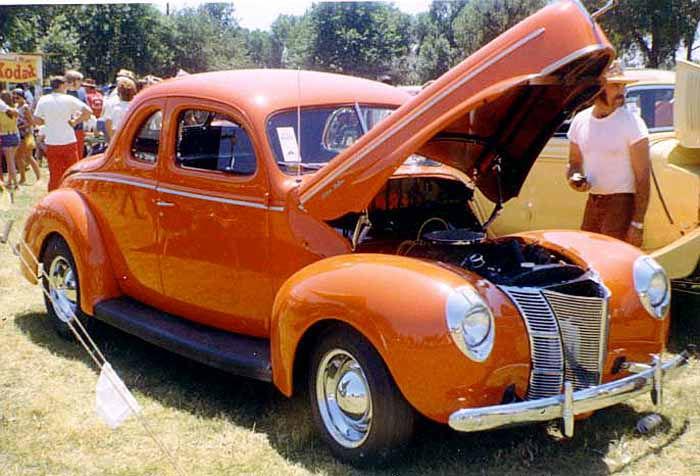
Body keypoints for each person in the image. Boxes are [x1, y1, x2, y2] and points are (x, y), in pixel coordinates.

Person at [566, 61, 650, 247]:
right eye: (615, 85)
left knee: (612, 257)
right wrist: (575, 178)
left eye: (623, 85)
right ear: (597, 88)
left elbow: (643, 177)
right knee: (588, 255)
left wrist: (637, 223)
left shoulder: (632, 123)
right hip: (593, 201)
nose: (622, 91)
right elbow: (574, 162)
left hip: (621, 204)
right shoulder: (580, 120)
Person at [32, 76, 92, 191]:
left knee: (55, 174)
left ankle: (54, 196)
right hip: (69, 141)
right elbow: (88, 112)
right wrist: (75, 121)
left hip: (52, 142)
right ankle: (72, 193)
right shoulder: (69, 99)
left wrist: (48, 122)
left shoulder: (43, 100)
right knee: (71, 173)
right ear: (62, 85)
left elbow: (36, 119)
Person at [13, 89, 40, 184]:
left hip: (26, 135)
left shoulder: (25, 107)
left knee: (23, 157)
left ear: (22, 96)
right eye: (14, 97)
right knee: (23, 157)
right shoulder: (16, 106)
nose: (15, 99)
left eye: (17, 97)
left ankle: (32, 177)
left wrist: (20, 126)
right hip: (19, 134)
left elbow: (31, 122)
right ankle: (26, 178)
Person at [65, 69, 89, 159]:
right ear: (73, 81)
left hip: (79, 128)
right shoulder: (64, 92)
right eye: (79, 80)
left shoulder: (82, 91)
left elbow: (86, 107)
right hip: (66, 128)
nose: (81, 83)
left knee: (79, 153)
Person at [104, 77, 136, 141]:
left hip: (118, 137)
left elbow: (108, 123)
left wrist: (113, 139)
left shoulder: (114, 106)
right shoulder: (135, 106)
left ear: (119, 93)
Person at [0, 90, 21, 189]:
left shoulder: (1, 112)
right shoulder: (14, 109)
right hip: (16, 135)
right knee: (11, 160)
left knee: (10, 162)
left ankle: (16, 184)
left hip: (5, 136)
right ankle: (9, 181)